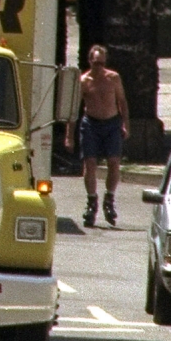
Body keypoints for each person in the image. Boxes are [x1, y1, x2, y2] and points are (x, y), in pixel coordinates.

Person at [64, 44, 128, 228]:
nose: (99, 66)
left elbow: (122, 102)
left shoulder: (113, 78)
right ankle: (91, 201)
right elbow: (73, 109)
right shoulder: (84, 81)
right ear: (90, 61)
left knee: (113, 162)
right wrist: (69, 136)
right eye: (96, 63)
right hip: (91, 124)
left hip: (112, 123)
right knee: (89, 163)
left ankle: (109, 198)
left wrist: (125, 124)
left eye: (102, 63)